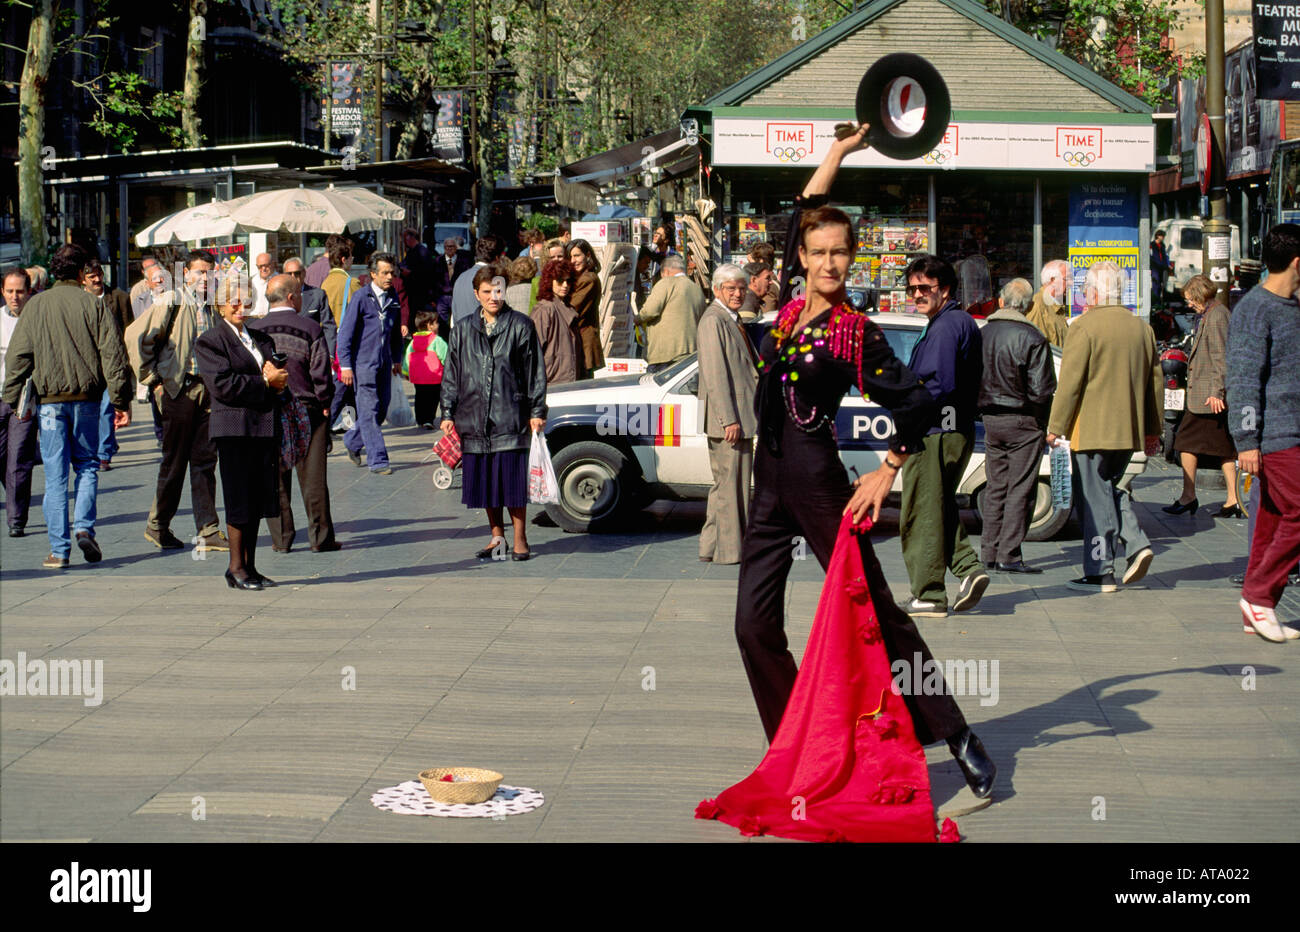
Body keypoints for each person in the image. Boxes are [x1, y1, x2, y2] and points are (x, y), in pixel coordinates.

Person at [734, 125, 995, 799]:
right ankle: (799, 745)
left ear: (852, 259)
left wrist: (887, 470)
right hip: (769, 490)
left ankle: (956, 731)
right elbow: (802, 207)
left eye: (839, 253)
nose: (827, 263)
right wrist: (841, 153)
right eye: (817, 252)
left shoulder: (856, 333)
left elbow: (919, 403)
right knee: (753, 627)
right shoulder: (789, 310)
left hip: (822, 486)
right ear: (804, 256)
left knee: (880, 612)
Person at [1, 245, 132, 568]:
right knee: (87, 464)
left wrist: (10, 397)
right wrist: (120, 399)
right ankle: (84, 527)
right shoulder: (94, 304)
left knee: (56, 476)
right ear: (79, 273)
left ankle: (59, 550)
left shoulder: (35, 306)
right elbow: (113, 355)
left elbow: (17, 357)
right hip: (86, 399)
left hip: (49, 403)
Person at [1047, 261, 1161, 593]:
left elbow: (1069, 384)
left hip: (1091, 428)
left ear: (1094, 293)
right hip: (1128, 430)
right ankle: (1135, 544)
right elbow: (1155, 383)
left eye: (1084, 291)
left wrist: (1056, 426)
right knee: (1110, 490)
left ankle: (1100, 571)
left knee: (1093, 500)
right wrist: (1153, 431)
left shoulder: (1084, 327)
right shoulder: (1141, 328)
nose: (1083, 296)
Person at [896, 253, 988, 618]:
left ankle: (929, 594)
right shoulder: (950, 322)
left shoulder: (948, 325)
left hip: (934, 430)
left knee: (920, 510)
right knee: (937, 504)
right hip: (951, 428)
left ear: (944, 289)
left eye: (925, 288)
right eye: (912, 288)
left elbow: (939, 381)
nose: (917, 294)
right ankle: (968, 569)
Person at [440, 265, 547, 561]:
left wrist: (537, 409)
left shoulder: (521, 325)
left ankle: (520, 538)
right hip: (473, 415)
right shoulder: (462, 329)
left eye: (497, 290)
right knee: (486, 481)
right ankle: (496, 537)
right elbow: (451, 373)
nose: (493, 296)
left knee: (512, 481)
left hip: (510, 414)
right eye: (486, 291)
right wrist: (447, 411)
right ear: (476, 294)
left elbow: (534, 372)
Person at [1227, 223, 1300, 642]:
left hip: (1290, 433)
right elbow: (1243, 378)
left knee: (1272, 520)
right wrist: (1247, 441)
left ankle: (1259, 607)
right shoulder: (1255, 309)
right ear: (1296, 261)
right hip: (1276, 436)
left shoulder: (1292, 306)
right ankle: (1258, 595)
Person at [195, 274, 288, 590]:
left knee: (259, 497)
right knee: (239, 497)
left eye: (245, 298)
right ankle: (235, 567)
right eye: (233, 299)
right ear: (220, 303)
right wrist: (265, 382)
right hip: (233, 428)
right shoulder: (210, 340)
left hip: (263, 426)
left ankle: (250, 566)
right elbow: (222, 385)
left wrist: (278, 381)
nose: (240, 305)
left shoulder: (261, 339)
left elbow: (278, 380)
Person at [135, 248, 227, 552]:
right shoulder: (172, 301)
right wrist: (155, 381)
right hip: (178, 389)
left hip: (206, 391)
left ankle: (209, 529)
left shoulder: (213, 305)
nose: (205, 277)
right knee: (174, 463)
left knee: (204, 461)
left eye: (210, 272)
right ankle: (157, 525)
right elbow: (139, 337)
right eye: (199, 271)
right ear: (186, 273)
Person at [248, 274, 340, 554]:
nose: (302, 298)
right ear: (291, 297)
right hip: (306, 408)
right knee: (313, 477)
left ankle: (282, 538)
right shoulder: (310, 328)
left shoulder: (254, 330)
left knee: (273, 477)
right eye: (299, 294)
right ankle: (320, 538)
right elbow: (321, 372)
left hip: (268, 408)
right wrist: (325, 400)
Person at [977, 278, 1056, 573]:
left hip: (991, 419)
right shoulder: (1032, 337)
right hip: (1023, 419)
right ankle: (1008, 554)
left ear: (1001, 302)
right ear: (1029, 306)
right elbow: (1041, 389)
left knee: (996, 486)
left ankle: (989, 551)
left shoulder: (983, 334)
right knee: (1020, 488)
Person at [696, 264, 759, 565]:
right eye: (731, 288)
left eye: (741, 288)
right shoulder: (713, 320)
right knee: (731, 488)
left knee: (726, 485)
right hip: (730, 420)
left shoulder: (729, 319)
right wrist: (728, 419)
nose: (738, 293)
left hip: (737, 416)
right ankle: (730, 551)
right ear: (717, 289)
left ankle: (710, 547)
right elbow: (715, 374)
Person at [1165, 274, 1239, 517]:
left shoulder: (1217, 317)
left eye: (1190, 299)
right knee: (1224, 447)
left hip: (1208, 397)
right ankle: (1233, 499)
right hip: (1206, 395)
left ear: (1200, 295)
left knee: (1185, 441)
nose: (1189, 304)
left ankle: (1190, 496)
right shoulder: (1210, 314)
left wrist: (1218, 391)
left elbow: (1221, 356)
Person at [338, 251, 399, 475]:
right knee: (369, 411)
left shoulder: (393, 298)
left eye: (392, 272)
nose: (389, 277)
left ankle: (352, 441)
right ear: (373, 274)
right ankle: (378, 460)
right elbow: (345, 333)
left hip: (383, 363)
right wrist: (345, 365)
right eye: (384, 273)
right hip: (363, 365)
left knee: (380, 410)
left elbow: (394, 333)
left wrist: (397, 359)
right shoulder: (361, 298)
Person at [80, 259, 133, 471]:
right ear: (83, 280)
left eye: (99, 274)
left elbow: (129, 328)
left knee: (106, 408)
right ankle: (105, 444)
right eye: (92, 276)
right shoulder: (79, 300)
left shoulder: (118, 297)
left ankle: (103, 454)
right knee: (90, 410)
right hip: (86, 364)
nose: (97, 279)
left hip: (112, 362)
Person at [1, 267, 38, 536]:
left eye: (20, 291)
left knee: (18, 459)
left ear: (29, 292)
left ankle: (16, 519)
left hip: (24, 400)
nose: (15, 297)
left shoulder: (36, 319)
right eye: (10, 291)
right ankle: (15, 496)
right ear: (3, 292)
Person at [635, 255, 706, 372]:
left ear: (666, 271)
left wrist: (637, 318)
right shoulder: (696, 288)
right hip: (691, 352)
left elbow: (649, 311)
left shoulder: (666, 283)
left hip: (666, 353)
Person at [530, 258, 583, 386]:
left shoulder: (568, 308)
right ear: (550, 282)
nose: (565, 285)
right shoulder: (545, 309)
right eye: (560, 280)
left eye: (568, 281)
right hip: (552, 382)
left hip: (568, 380)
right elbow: (532, 352)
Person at [283, 256, 337, 359]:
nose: (293, 277)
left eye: (297, 273)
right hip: (287, 352)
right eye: (289, 274)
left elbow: (329, 326)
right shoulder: (279, 296)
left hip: (313, 353)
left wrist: (330, 355)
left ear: (304, 273)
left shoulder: (318, 295)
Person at [403, 310, 448, 428]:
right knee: (433, 399)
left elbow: (407, 358)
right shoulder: (437, 341)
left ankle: (420, 419)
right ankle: (428, 419)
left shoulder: (413, 342)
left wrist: (406, 371)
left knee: (420, 397)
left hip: (418, 377)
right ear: (429, 325)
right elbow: (445, 357)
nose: (438, 325)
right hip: (435, 377)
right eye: (436, 323)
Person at [568, 238, 605, 376]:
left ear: (588, 255)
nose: (573, 261)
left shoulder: (588, 279)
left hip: (584, 342)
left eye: (577, 255)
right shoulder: (581, 277)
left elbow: (572, 308)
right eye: (570, 257)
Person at [452, 235, 505, 325]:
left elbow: (453, 318)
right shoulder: (494, 280)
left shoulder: (461, 278)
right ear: (497, 258)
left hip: (461, 335)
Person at [1026, 259, 1071, 348]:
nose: (1071, 283)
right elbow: (1032, 346)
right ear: (1052, 280)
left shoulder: (1055, 305)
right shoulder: (1038, 306)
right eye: (1067, 279)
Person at [399, 228, 435, 329]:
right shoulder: (412, 251)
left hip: (420, 291)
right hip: (413, 291)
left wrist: (410, 273)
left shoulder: (422, 252)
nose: (404, 242)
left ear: (410, 238)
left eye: (405, 239)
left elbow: (427, 273)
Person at [433, 237, 472, 323]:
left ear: (456, 247)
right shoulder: (437, 261)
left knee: (459, 320)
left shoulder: (464, 262)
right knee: (442, 322)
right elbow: (433, 280)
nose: (449, 248)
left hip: (458, 296)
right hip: (442, 297)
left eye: (452, 246)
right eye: (447, 246)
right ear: (444, 248)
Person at [748, 241, 781, 315]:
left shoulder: (768, 285)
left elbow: (767, 315)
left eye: (753, 262)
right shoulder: (771, 281)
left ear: (761, 261)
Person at [1150, 230, 1174, 308]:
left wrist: (1168, 264)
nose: (1163, 238)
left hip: (1162, 267)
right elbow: (1150, 256)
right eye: (1162, 236)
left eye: (1163, 236)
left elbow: (1165, 256)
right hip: (1155, 267)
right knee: (1155, 283)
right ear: (1157, 236)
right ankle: (1154, 301)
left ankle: (1159, 301)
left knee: (1161, 284)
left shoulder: (1162, 245)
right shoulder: (1152, 245)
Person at [249, 253, 276, 317]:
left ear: (272, 264)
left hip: (272, 319)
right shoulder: (251, 281)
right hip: (253, 319)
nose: (263, 269)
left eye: (266, 265)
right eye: (260, 266)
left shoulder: (280, 281)